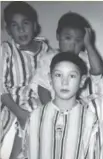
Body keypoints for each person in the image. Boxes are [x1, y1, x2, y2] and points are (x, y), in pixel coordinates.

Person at [18, 52, 98, 159]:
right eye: (58, 75)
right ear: (50, 79)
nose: (65, 82)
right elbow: (26, 152)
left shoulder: (90, 120)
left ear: (82, 81)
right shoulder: (35, 117)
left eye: (72, 76)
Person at [1, 1, 52, 158]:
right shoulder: (6, 50)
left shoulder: (47, 53)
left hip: (38, 110)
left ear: (35, 26)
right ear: (9, 30)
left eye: (25, 23)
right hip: (12, 109)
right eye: (15, 25)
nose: (21, 29)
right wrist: (20, 114)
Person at [30, 11, 103, 105]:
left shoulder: (84, 58)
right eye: (68, 38)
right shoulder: (48, 58)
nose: (73, 45)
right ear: (58, 36)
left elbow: (98, 71)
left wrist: (89, 45)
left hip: (77, 106)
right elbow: (42, 88)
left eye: (78, 40)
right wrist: (51, 111)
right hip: (52, 104)